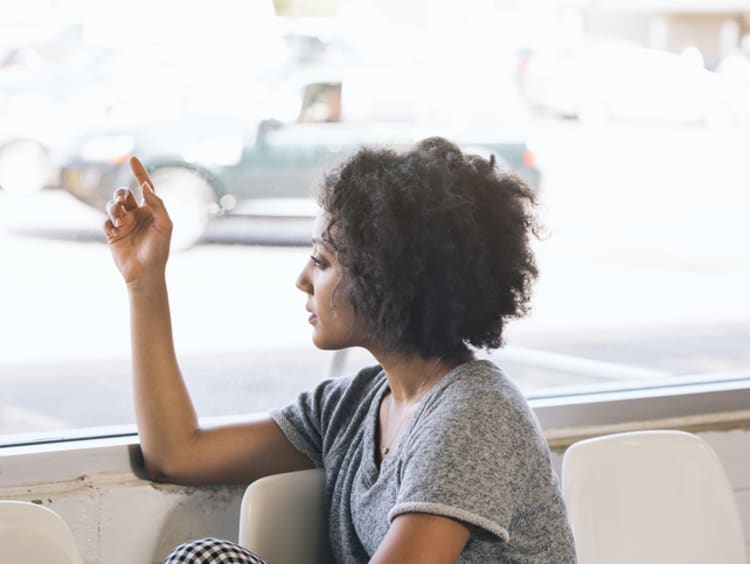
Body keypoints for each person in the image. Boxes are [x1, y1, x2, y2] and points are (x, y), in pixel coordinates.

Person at [104, 137, 576, 563]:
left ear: (388, 280)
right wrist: (145, 283)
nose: (303, 279)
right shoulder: (354, 405)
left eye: (322, 260)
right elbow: (177, 454)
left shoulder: (476, 414)